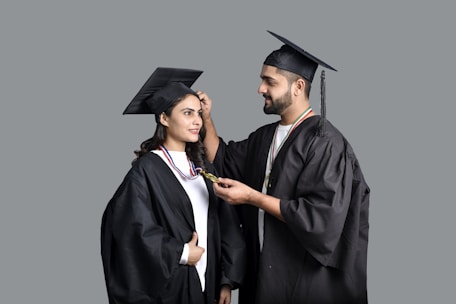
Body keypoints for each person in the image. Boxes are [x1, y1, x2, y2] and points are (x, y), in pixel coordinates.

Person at [199, 31, 370, 304]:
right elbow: (223, 159)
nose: (260, 89)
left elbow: (321, 219)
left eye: (270, 81)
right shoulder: (265, 137)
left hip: (309, 283)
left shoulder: (326, 143)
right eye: (261, 80)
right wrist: (206, 119)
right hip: (266, 278)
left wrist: (252, 197)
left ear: (298, 86)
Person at [100, 67, 246, 304]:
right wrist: (181, 253)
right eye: (187, 113)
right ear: (164, 118)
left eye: (199, 113)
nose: (197, 120)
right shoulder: (148, 169)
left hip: (208, 283)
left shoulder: (202, 167)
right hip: (174, 284)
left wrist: (226, 280)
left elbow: (227, 222)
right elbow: (128, 227)